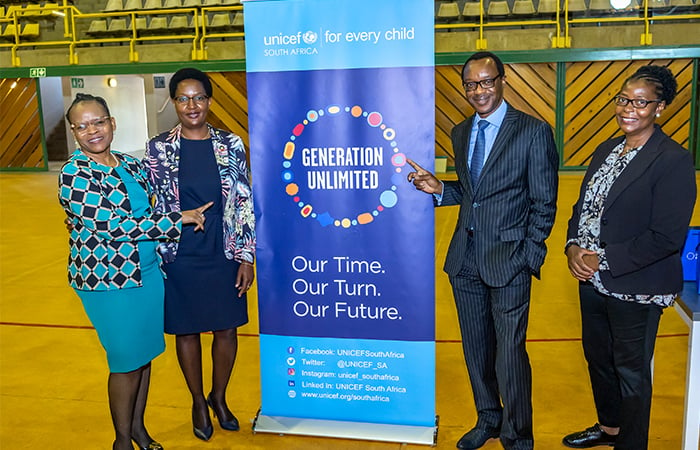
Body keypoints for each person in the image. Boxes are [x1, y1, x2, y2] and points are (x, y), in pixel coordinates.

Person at [406, 51, 559, 450]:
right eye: (471, 84)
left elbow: (544, 202)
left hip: (510, 262)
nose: (479, 91)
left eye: (486, 81)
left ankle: (518, 435)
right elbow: (475, 196)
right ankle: (488, 418)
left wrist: (529, 255)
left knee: (509, 354)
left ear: (502, 81)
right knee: (476, 350)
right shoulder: (460, 132)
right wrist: (440, 189)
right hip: (465, 261)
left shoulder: (531, 131)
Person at [58, 93, 211, 450]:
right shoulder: (74, 173)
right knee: (126, 361)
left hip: (146, 274)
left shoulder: (131, 164)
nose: (91, 131)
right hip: (109, 281)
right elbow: (114, 225)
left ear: (112, 123)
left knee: (143, 358)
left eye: (98, 122)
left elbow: (159, 197)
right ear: (73, 132)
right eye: (81, 126)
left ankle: (139, 430)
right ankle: (122, 441)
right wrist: (180, 219)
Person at [562, 65, 696, 449]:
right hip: (592, 280)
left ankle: (632, 443)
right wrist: (572, 246)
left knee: (631, 373)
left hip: (636, 286)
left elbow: (666, 237)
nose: (628, 109)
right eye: (623, 99)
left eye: (640, 102)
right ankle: (610, 429)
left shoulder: (672, 160)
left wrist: (601, 259)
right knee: (600, 362)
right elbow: (583, 207)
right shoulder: (607, 149)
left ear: (661, 108)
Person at [143, 68, 256, 442]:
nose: (192, 105)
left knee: (227, 328)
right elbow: (151, 205)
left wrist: (245, 257)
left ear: (209, 101)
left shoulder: (231, 144)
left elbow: (243, 201)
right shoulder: (158, 148)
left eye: (199, 97)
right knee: (187, 331)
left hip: (222, 253)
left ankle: (219, 397)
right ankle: (196, 400)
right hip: (180, 254)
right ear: (173, 102)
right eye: (183, 98)